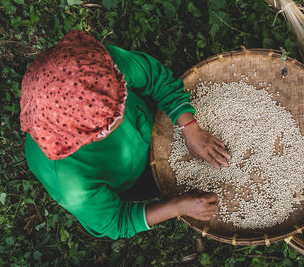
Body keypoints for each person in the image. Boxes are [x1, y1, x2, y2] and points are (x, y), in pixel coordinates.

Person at [20, 30, 230, 240]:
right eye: (109, 123)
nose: (121, 114)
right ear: (81, 139)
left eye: (121, 98)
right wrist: (177, 207)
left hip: (148, 124)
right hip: (129, 178)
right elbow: (116, 222)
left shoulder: (95, 68)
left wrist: (190, 128)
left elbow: (154, 77)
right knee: (150, 186)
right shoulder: (69, 179)